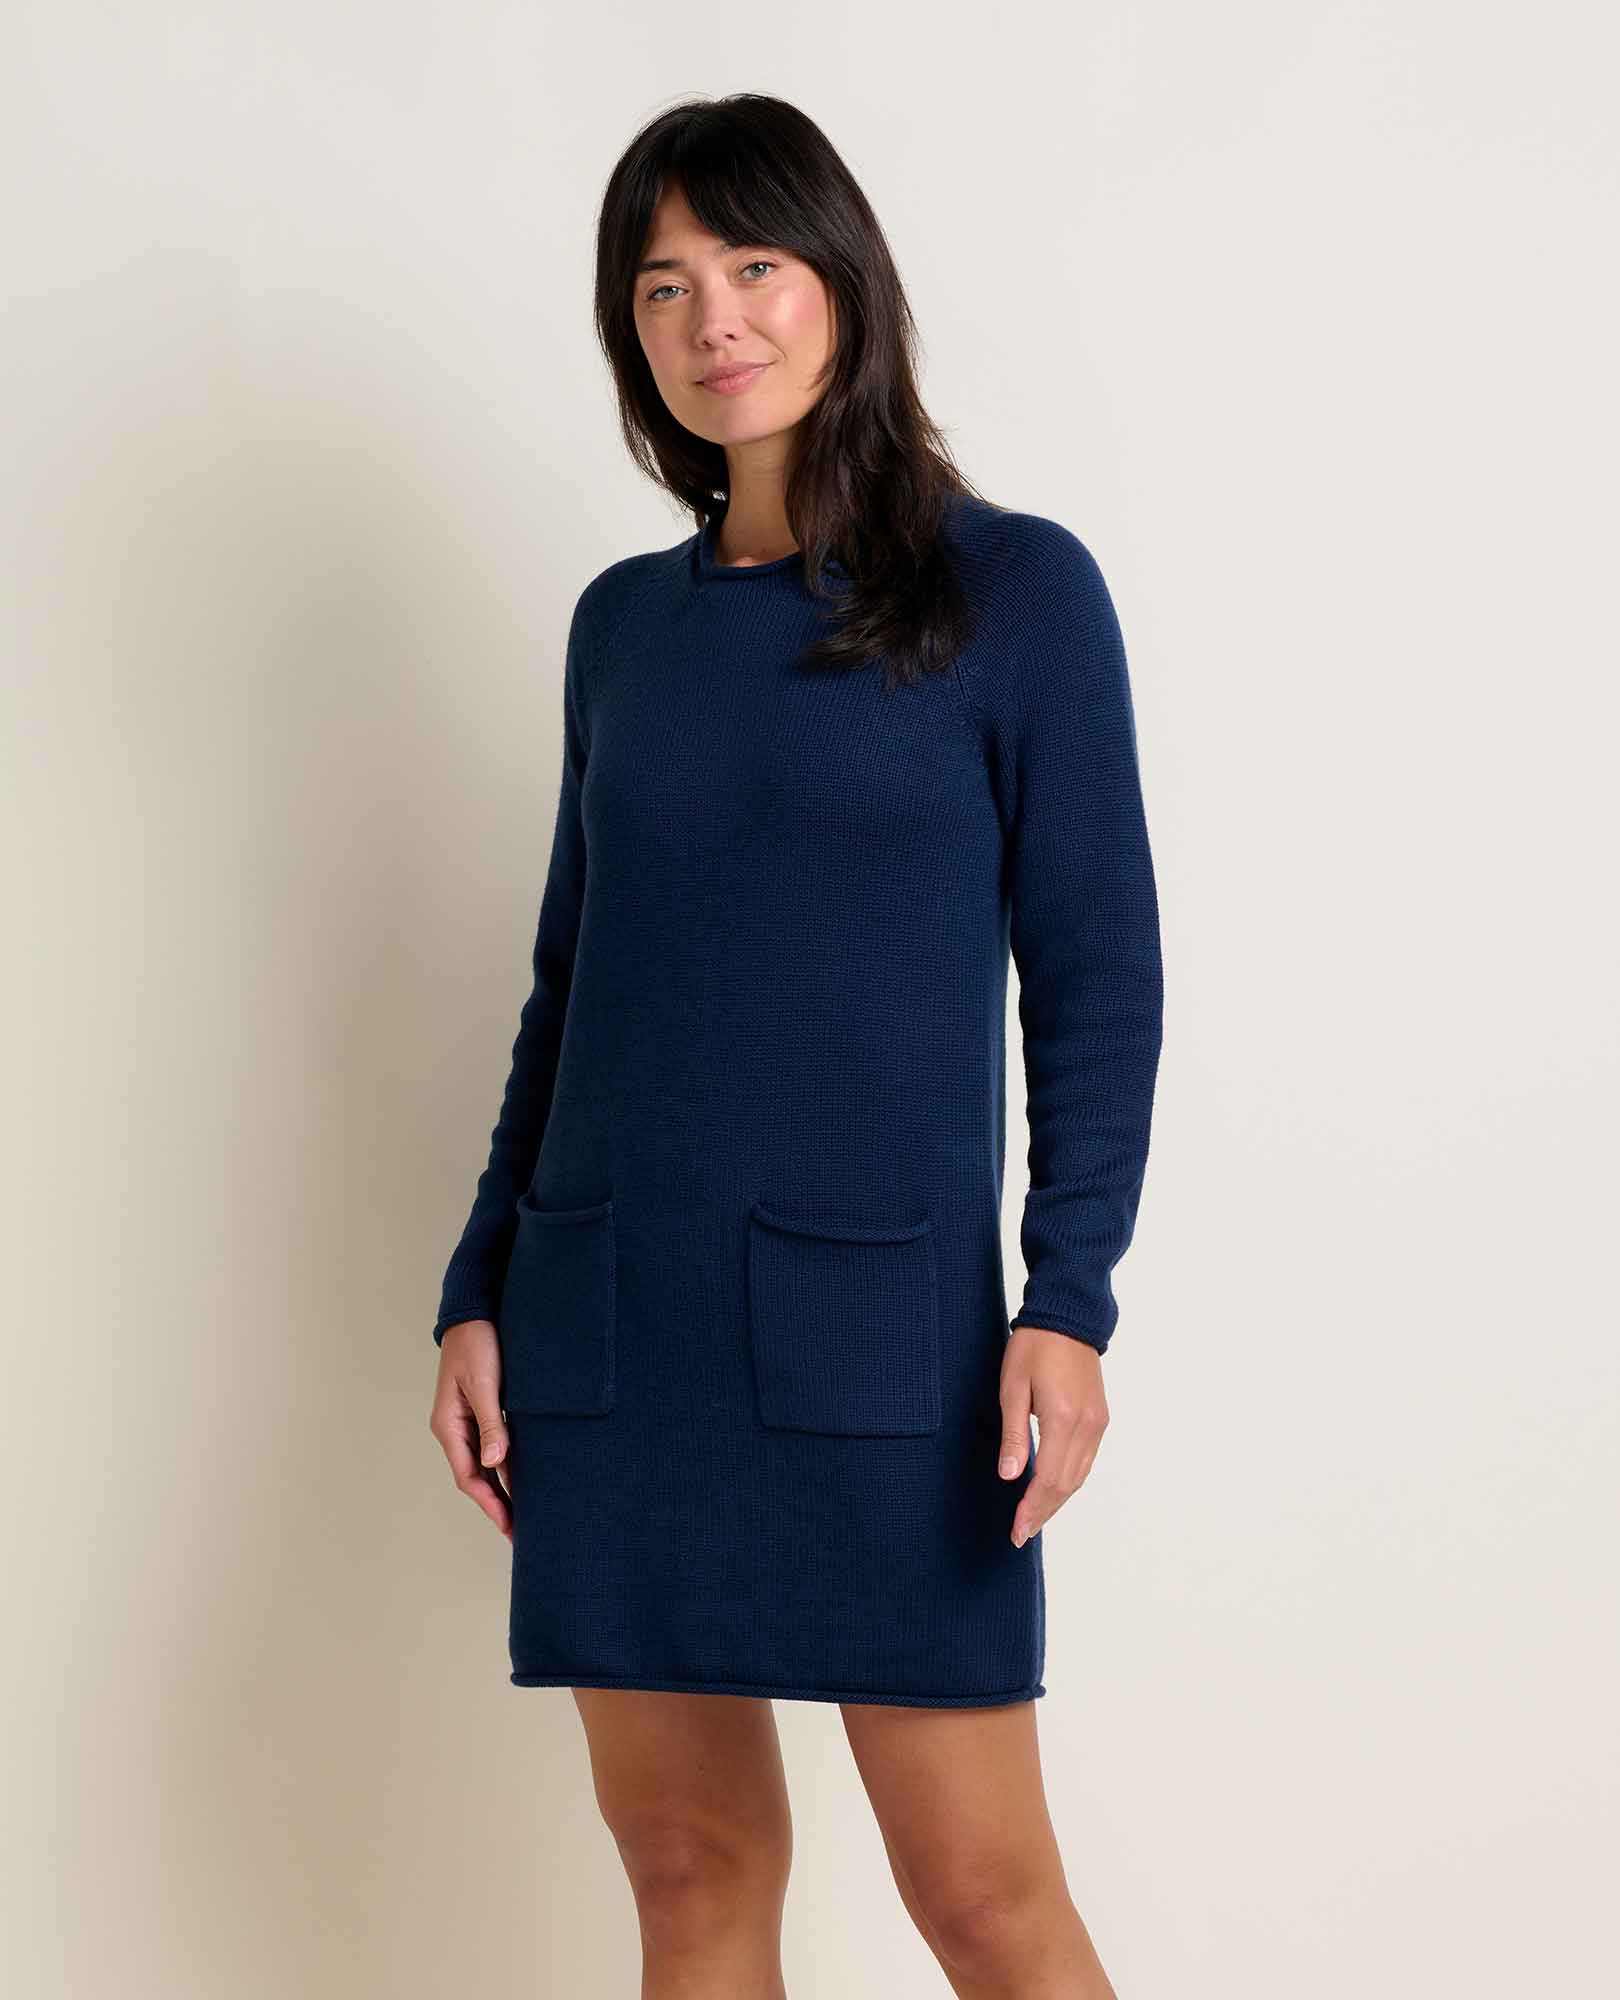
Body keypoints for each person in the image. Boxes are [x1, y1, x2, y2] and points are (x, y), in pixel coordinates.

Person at [428, 93, 1163, 2000]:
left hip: (890, 1347)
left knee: (981, 1894)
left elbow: (1099, 978)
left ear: (842, 279)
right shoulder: (622, 629)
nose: (713, 320)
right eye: (662, 285)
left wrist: (1069, 1300)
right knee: (687, 1869)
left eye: (752, 264)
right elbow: (571, 985)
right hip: (613, 1325)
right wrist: (478, 1287)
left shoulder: (1015, 594)